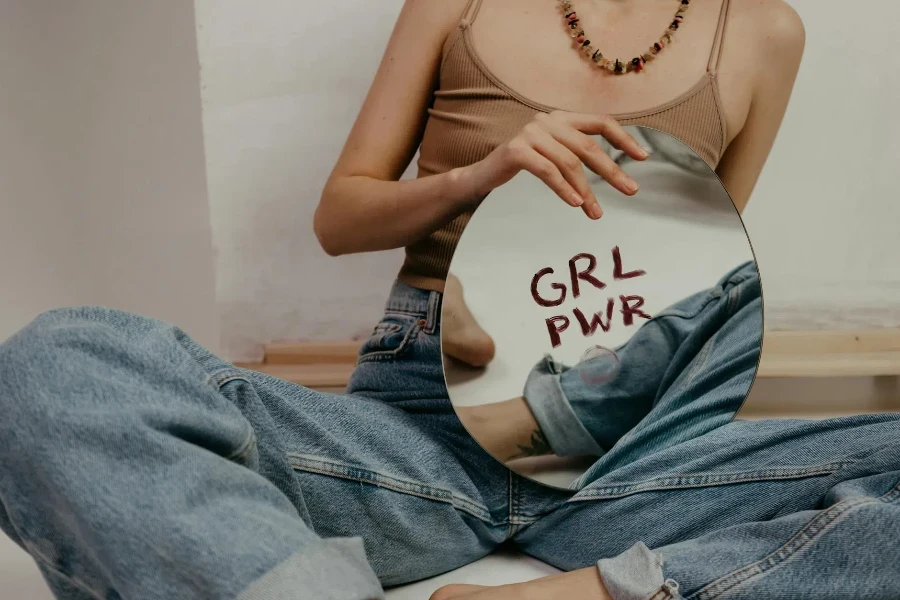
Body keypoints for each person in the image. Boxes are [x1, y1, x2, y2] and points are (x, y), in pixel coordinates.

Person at [1, 2, 898, 600]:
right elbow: (340, 218)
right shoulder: (456, 4)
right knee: (58, 365)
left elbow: (705, 267)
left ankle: (610, 590)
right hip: (420, 434)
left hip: (641, 452)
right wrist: (483, 175)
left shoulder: (765, 32)